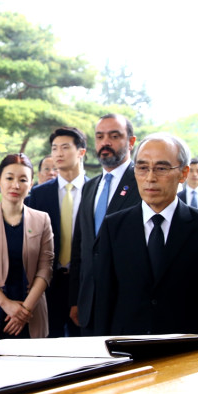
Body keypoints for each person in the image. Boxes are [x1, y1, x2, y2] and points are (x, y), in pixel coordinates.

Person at [94, 133, 198, 335]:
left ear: (183, 173)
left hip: (188, 350)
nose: (150, 178)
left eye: (161, 168)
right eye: (142, 168)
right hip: (128, 348)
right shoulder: (113, 226)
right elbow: (105, 297)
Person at [0, 153, 52, 360]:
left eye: (22, 179)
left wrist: (24, 310)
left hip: (31, 313)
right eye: (9, 178)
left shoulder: (42, 219)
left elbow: (46, 268)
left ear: (31, 184)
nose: (15, 185)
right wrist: (6, 305)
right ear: (0, 182)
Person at [69, 114, 142, 335]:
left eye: (114, 136)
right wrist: (76, 298)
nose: (105, 142)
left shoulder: (142, 184)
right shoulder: (89, 187)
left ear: (131, 142)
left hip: (127, 303)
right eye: (100, 137)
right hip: (89, 304)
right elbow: (80, 247)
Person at [26, 127, 88, 337]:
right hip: (48, 281)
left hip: (83, 281)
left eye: (65, 147)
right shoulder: (39, 193)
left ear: (81, 151)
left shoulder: (94, 190)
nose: (58, 154)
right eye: (54, 148)